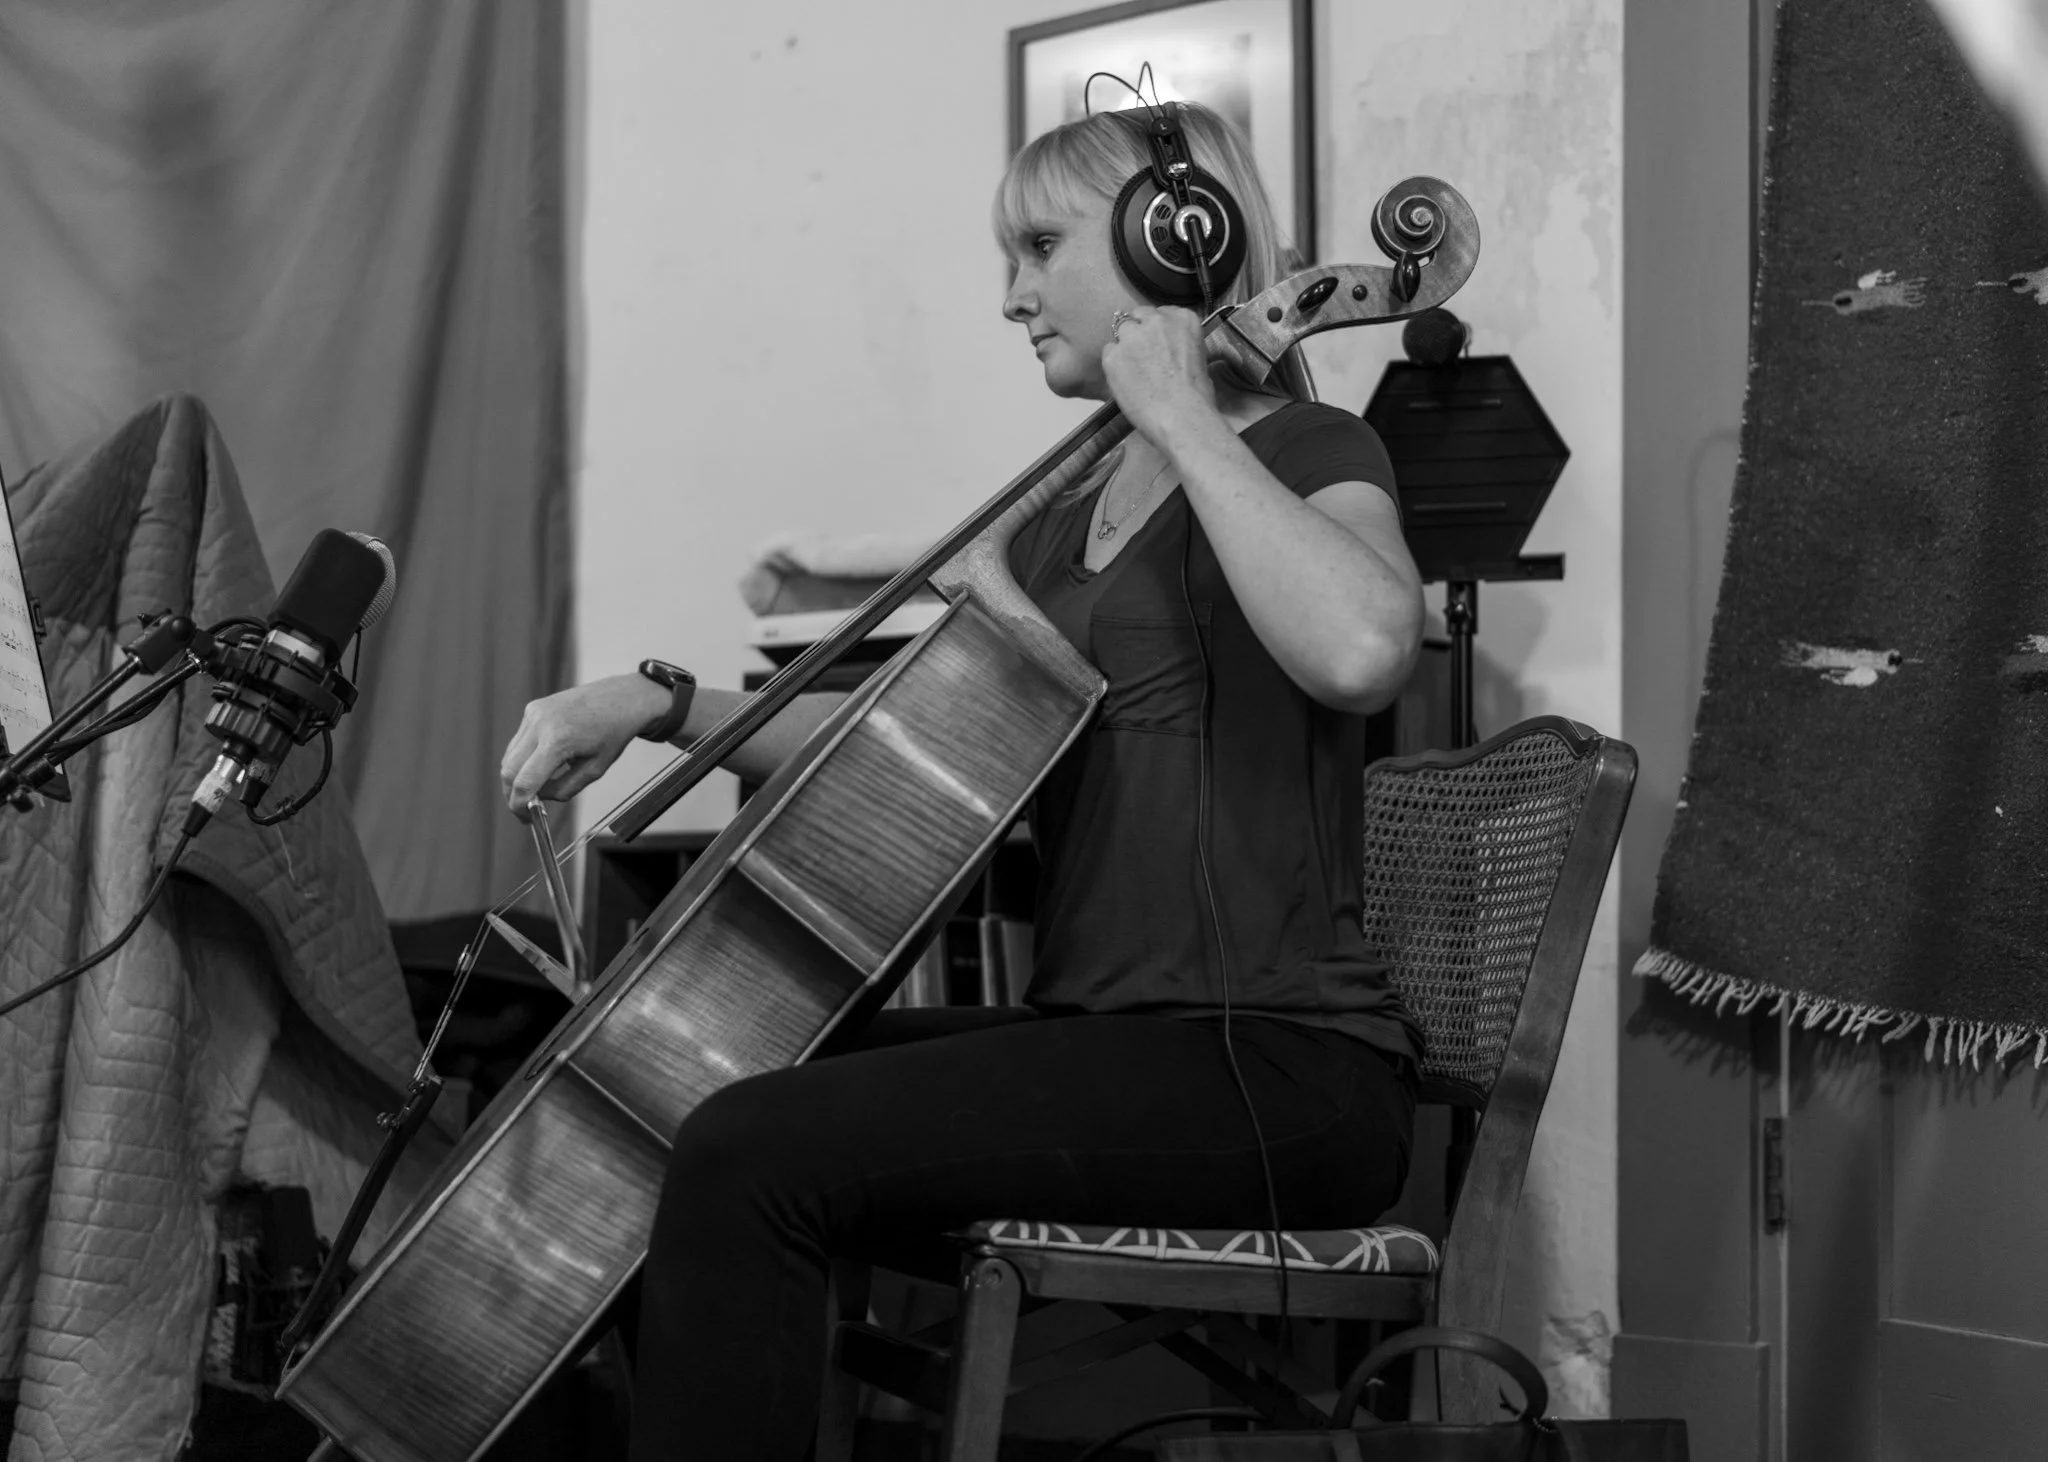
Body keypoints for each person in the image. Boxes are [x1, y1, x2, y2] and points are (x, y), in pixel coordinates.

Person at [499, 100, 1427, 1462]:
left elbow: (1363, 646)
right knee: (687, 1096)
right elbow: (898, 748)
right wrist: (657, 701)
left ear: (1178, 242)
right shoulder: (1064, 519)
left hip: (1282, 1068)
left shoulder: (1303, 454)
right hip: (1104, 1042)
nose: (1011, 295)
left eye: (1041, 246)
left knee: (754, 1151)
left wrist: (1187, 419)